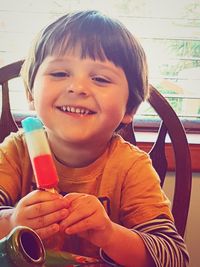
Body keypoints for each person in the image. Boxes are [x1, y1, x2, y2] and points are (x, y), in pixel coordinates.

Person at [0, 10, 189, 267]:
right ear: (31, 94)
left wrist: (109, 234)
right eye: (59, 74)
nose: (77, 88)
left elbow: (173, 256)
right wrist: (11, 221)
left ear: (129, 109)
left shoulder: (131, 167)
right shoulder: (14, 152)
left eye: (100, 78)